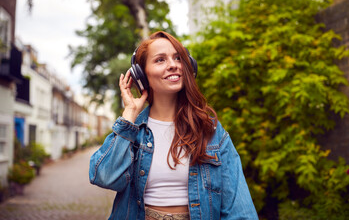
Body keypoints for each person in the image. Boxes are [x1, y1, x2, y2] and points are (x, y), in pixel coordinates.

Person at [89, 31, 258, 220]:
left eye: (178, 58)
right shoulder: (132, 131)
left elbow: (240, 210)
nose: (173, 65)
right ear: (141, 75)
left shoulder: (211, 132)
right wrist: (129, 116)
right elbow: (104, 176)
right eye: (160, 60)